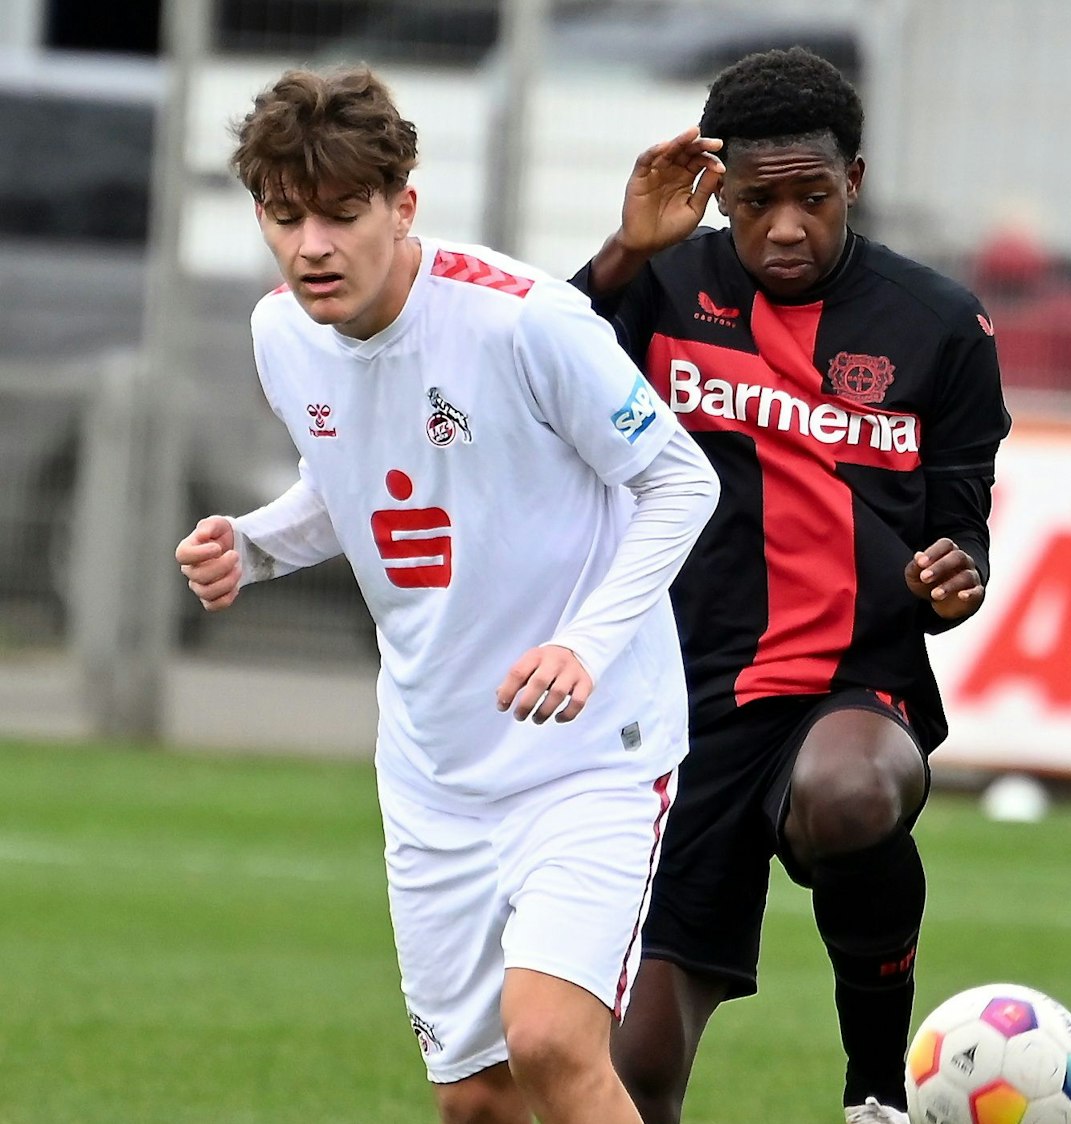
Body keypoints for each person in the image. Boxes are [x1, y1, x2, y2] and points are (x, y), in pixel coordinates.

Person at [173, 66, 720, 1124]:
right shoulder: (280, 332)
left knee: (554, 1042)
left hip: (588, 754)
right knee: (476, 1101)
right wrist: (254, 543)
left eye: (341, 214)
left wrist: (586, 644)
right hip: (434, 771)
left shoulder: (526, 322)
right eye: (285, 218)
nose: (311, 246)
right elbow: (364, 486)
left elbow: (679, 479)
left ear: (403, 204)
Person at [568, 48, 1010, 1124]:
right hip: (682, 704)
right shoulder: (661, 286)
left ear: (851, 180)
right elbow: (535, 379)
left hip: (852, 683)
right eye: (755, 201)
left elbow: (962, 531)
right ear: (715, 189)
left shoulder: (938, 324)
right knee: (632, 1075)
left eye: (811, 198)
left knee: (850, 793)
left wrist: (958, 575)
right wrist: (627, 245)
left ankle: (874, 1092)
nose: (784, 229)